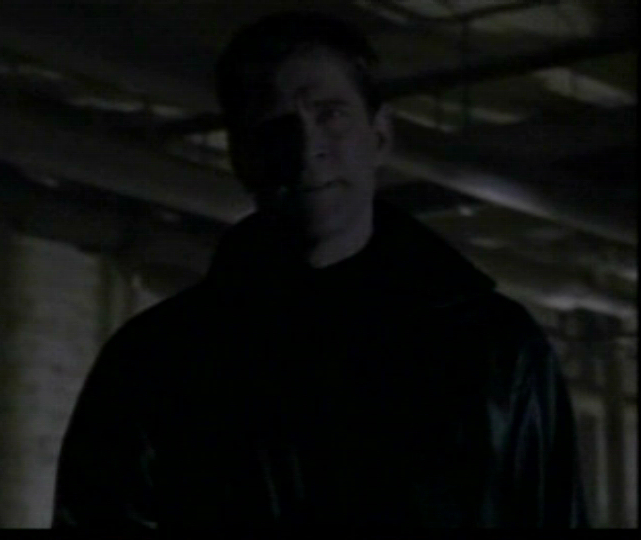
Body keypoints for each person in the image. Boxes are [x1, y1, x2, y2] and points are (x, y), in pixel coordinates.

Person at [52, 11, 588, 528]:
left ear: (380, 136)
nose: (308, 149)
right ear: (240, 153)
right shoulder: (156, 362)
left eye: (330, 114)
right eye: (274, 125)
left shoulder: (496, 350)